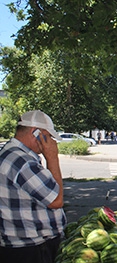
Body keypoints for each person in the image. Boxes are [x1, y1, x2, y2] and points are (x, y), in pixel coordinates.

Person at [0, 110, 66, 263]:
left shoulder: (11, 153)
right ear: (36, 133)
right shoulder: (22, 161)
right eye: (48, 136)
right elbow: (56, 200)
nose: (51, 141)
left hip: (22, 248)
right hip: (31, 250)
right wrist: (52, 158)